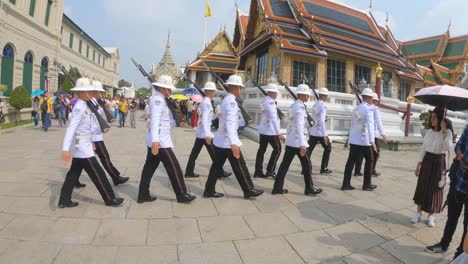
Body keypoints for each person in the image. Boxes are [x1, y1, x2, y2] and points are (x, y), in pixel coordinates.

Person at [58, 78, 124, 208]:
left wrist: (92, 140)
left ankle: (64, 200)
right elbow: (71, 129)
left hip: (85, 143)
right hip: (82, 147)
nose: (90, 93)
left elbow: (90, 126)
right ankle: (110, 198)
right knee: (98, 172)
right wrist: (65, 149)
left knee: (73, 173)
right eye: (87, 91)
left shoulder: (87, 104)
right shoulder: (79, 108)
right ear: (81, 93)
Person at [203, 75, 264, 199]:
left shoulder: (227, 99)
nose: (240, 91)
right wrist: (233, 144)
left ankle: (209, 190)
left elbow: (230, 122)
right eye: (239, 88)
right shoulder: (231, 101)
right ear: (235, 88)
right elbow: (230, 124)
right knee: (240, 166)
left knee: (216, 167)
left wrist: (244, 122)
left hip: (222, 139)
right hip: (227, 141)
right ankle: (248, 189)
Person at [138, 75, 196, 204]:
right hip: (159, 141)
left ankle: (143, 194)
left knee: (149, 167)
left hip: (159, 139)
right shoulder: (158, 100)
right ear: (162, 88)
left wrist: (177, 123)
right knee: (174, 167)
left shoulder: (161, 99)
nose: (170, 91)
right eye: (168, 88)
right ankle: (181, 194)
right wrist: (155, 142)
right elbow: (155, 122)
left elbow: (166, 121)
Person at [75, 81, 130, 188]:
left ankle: (73, 180)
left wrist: (107, 118)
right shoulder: (88, 103)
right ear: (94, 92)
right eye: (99, 92)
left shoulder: (95, 102)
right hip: (93, 136)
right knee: (104, 157)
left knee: (78, 162)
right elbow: (88, 122)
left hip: (96, 135)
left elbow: (100, 115)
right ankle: (115, 177)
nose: (101, 94)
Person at [272, 84, 323, 196]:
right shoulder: (299, 108)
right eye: (306, 95)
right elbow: (300, 126)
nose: (308, 97)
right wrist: (302, 145)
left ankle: (277, 187)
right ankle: (309, 188)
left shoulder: (295, 105)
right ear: (302, 95)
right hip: (298, 143)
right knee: (307, 166)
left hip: (291, 141)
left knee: (284, 166)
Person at [425, 124, 468, 259]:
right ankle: (444, 244)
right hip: (459, 181)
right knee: (452, 217)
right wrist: (460, 155)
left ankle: (460, 254)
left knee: (467, 224)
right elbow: (459, 145)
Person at [412, 107, 452, 227]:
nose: (432, 119)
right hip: (427, 161)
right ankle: (418, 213)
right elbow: (423, 148)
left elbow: (447, 148)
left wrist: (444, 131)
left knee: (435, 189)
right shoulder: (429, 132)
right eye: (432, 117)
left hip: (439, 162)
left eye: (435, 117)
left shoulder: (447, 132)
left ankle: (431, 215)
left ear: (441, 119)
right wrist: (418, 164)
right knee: (422, 186)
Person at [185, 82, 232, 179]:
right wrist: (207, 134)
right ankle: (219, 172)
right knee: (215, 154)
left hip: (202, 133)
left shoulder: (206, 101)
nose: (214, 92)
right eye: (213, 91)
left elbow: (208, 117)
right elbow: (205, 119)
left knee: (195, 153)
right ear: (209, 91)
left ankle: (189, 171)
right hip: (204, 134)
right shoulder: (207, 103)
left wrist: (217, 115)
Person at [341, 88, 377, 191]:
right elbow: (370, 125)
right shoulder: (368, 109)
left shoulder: (356, 109)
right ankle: (366, 184)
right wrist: (372, 141)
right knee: (370, 160)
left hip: (354, 139)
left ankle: (346, 184)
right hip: (364, 139)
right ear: (369, 98)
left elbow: (353, 124)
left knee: (350, 161)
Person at [254, 82, 285, 179]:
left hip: (264, 130)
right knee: (278, 149)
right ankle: (270, 171)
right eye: (275, 92)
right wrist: (279, 133)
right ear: (271, 93)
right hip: (271, 131)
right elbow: (273, 118)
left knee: (261, 150)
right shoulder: (270, 102)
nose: (276, 94)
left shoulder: (266, 101)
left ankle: (258, 171)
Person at [354, 93, 388, 176]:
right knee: (375, 154)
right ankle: (371, 170)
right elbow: (378, 122)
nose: (376, 102)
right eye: (375, 100)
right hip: (372, 135)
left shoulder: (360, 107)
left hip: (363, 133)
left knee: (360, 153)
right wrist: (382, 134)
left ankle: (357, 171)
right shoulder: (374, 109)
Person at [307, 87, 332, 174]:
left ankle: (305, 168)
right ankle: (323, 168)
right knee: (328, 148)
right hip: (320, 132)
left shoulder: (316, 104)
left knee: (309, 150)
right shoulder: (323, 105)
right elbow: (321, 120)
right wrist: (325, 135)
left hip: (313, 131)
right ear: (324, 96)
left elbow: (315, 118)